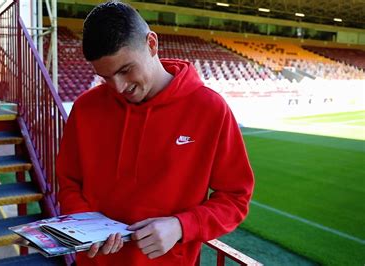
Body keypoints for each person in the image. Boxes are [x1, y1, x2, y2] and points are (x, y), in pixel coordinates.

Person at [56, 1, 255, 265]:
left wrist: (182, 226)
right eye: (106, 77)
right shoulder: (85, 108)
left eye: (125, 70)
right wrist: (83, 224)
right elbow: (69, 182)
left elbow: (235, 197)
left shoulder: (210, 109)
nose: (118, 87)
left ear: (152, 44)